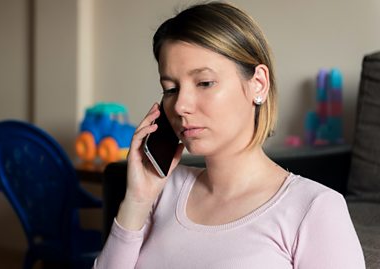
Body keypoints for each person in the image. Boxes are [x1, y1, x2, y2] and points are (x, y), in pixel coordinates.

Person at [93, 2, 365, 268]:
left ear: (258, 83)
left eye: (205, 83)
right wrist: (137, 201)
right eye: (171, 89)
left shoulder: (315, 209)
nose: (180, 105)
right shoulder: (161, 189)